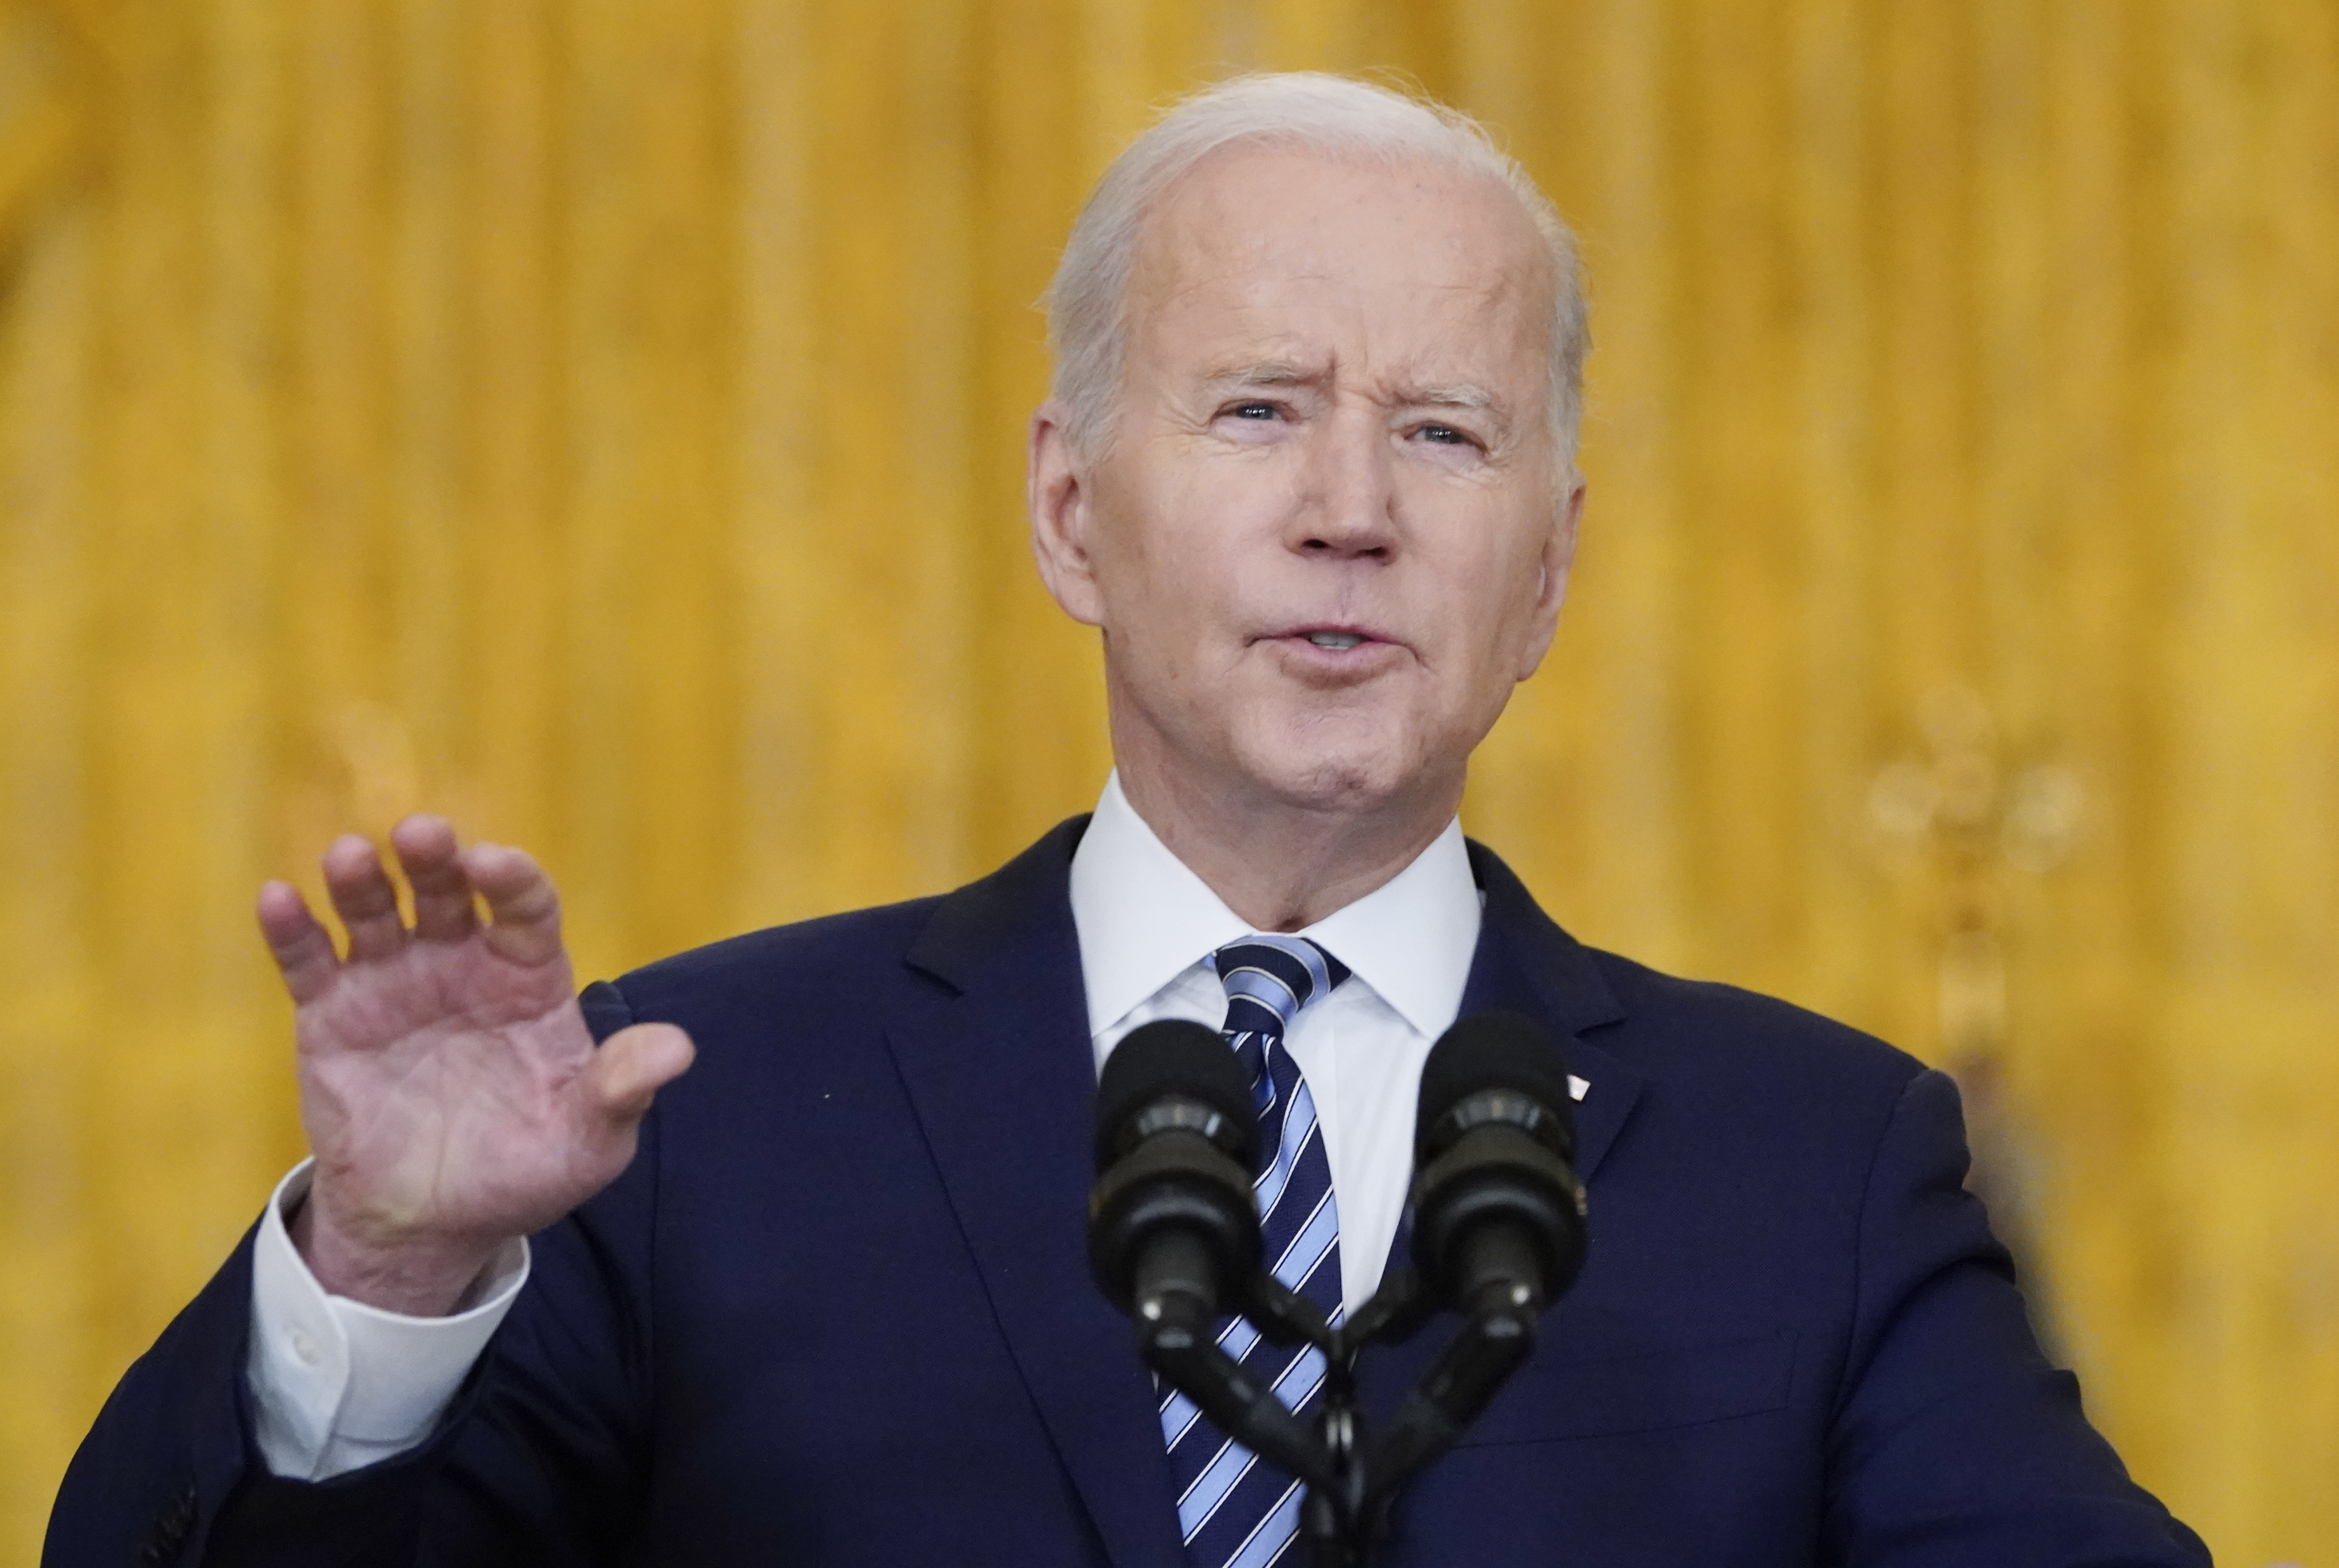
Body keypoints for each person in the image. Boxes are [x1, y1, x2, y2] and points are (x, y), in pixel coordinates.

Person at [47, 73, 2207, 1567]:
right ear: (1071, 511)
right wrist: (393, 1274)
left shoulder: (1814, 1167)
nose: (1350, 512)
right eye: (1259, 410)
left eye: (1445, 434)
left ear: (1544, 574)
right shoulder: (687, 1116)